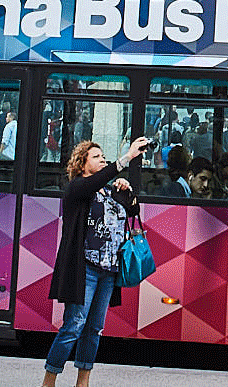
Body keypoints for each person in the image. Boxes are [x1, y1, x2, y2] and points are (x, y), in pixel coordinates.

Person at [42, 135, 152, 387]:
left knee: (94, 330)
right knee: (73, 327)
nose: (102, 160)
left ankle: (83, 382)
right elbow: (96, 182)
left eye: (103, 157)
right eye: (96, 157)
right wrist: (126, 158)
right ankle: (49, 380)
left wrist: (127, 191)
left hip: (109, 271)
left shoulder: (110, 190)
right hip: (85, 270)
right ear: (82, 164)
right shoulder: (77, 188)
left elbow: (132, 213)